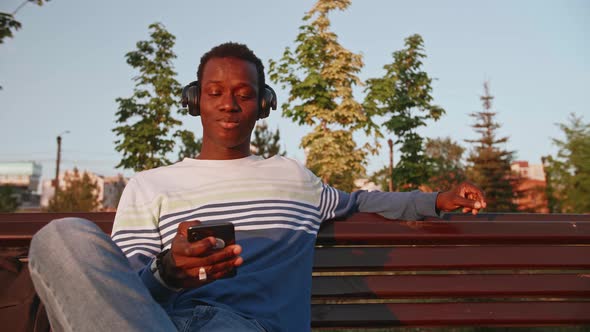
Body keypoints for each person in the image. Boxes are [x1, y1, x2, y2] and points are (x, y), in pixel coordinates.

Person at [28, 42, 486, 332]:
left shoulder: (294, 178)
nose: (229, 104)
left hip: (246, 326)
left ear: (263, 105)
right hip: (162, 319)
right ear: (195, 102)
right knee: (60, 234)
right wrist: (170, 272)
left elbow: (363, 200)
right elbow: (120, 297)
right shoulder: (149, 186)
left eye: (244, 93)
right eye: (215, 92)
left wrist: (436, 200)